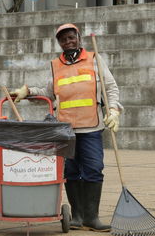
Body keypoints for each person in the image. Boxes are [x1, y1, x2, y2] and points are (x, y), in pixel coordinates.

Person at [11, 23, 122, 232]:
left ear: (78, 38)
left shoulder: (95, 59)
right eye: (63, 39)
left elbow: (110, 87)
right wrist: (26, 92)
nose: (68, 42)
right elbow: (48, 92)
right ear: (59, 43)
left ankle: (92, 217)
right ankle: (77, 216)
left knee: (93, 169)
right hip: (65, 129)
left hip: (91, 127)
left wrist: (114, 109)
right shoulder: (55, 65)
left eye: (71, 37)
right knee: (70, 171)